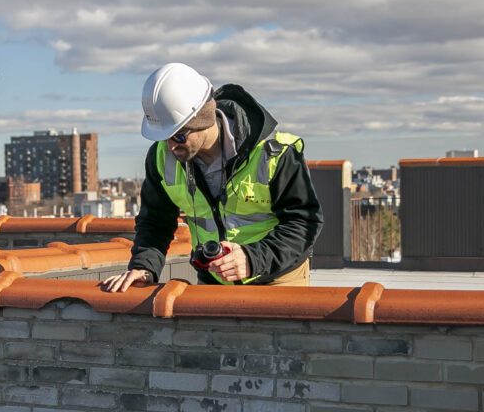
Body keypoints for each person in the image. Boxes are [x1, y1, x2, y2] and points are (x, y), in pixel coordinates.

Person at [102, 62, 323, 292]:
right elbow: (155, 222)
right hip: (213, 282)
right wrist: (144, 266)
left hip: (278, 280)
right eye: (164, 137)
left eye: (178, 136)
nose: (170, 147)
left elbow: (303, 222)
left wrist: (252, 259)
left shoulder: (274, 153)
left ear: (203, 120)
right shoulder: (161, 158)